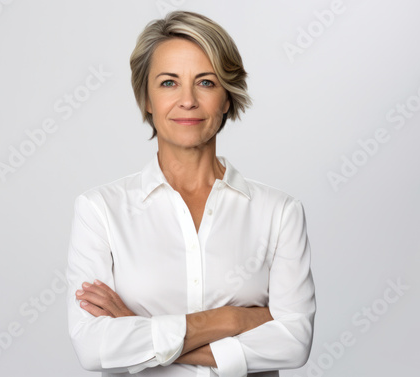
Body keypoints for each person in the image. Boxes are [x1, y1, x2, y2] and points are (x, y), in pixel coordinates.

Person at [66, 10, 316, 377]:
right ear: (147, 99)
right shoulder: (100, 211)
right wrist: (231, 319)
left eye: (206, 82)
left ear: (227, 98)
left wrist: (139, 329)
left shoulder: (279, 213)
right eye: (168, 83)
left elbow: (294, 344)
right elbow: (93, 347)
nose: (187, 100)